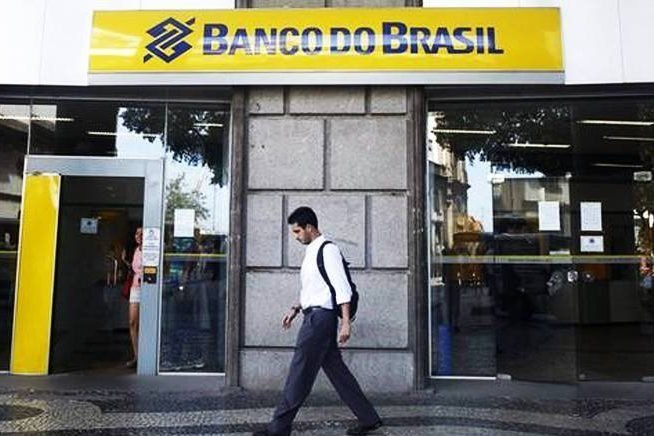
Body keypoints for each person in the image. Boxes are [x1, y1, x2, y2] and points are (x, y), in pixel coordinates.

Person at [254, 207, 382, 436]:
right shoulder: (311, 251)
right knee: (338, 373)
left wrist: (346, 322)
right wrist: (296, 308)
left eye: (297, 231)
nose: (295, 237)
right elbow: (314, 289)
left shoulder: (328, 250)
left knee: (300, 372)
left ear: (310, 227)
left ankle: (278, 428)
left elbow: (342, 288)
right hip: (314, 315)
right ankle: (369, 418)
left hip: (320, 320)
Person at [125, 227, 143, 368]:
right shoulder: (135, 250)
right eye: (137, 233)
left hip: (148, 287)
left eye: (142, 233)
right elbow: (133, 268)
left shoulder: (150, 249)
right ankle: (136, 355)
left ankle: (145, 355)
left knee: (146, 322)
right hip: (135, 287)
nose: (139, 235)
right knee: (132, 322)